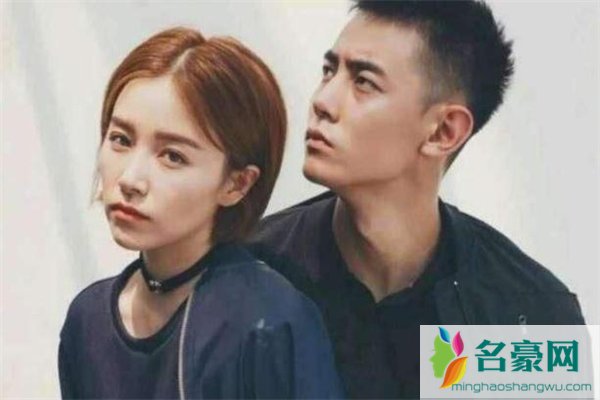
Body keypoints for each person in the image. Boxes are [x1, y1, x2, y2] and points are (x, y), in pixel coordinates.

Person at [247, 1, 586, 398]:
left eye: (364, 82)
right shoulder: (246, 279)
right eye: (329, 70)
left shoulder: (529, 318)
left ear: (444, 131)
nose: (323, 100)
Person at [58, 27, 343, 399]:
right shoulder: (88, 320)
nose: (130, 179)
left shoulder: (268, 323)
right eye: (121, 140)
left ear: (237, 184)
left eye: (173, 156)